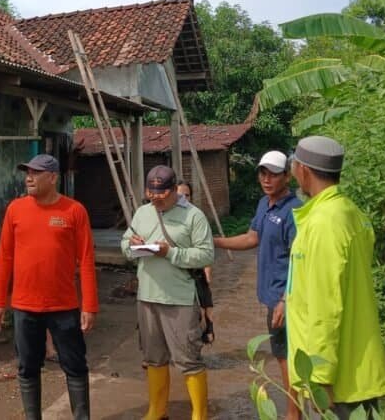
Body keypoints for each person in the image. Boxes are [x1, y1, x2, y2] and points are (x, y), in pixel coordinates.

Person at [287, 136, 385, 419]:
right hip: (356, 367)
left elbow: (326, 306)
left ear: (303, 170)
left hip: (340, 380)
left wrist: (320, 376)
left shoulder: (324, 223)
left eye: (294, 165)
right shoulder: (349, 212)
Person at [0, 153, 97, 420]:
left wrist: (90, 305)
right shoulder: (15, 209)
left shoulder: (74, 211)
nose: (28, 178)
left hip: (64, 306)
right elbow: (5, 257)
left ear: (52, 177)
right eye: (27, 173)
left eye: (35, 173)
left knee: (74, 365)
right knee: (27, 367)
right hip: (25, 306)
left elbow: (85, 260)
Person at [213, 150, 300, 420]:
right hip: (271, 296)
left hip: (285, 299)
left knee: (287, 357)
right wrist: (216, 242)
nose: (267, 179)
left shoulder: (293, 210)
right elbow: (253, 237)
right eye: (263, 173)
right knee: (281, 355)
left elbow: (300, 259)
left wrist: (287, 299)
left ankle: (293, 414)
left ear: (287, 176)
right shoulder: (265, 204)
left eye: (274, 174)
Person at [121, 165, 214, 420]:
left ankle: (199, 414)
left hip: (180, 300)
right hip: (147, 298)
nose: (155, 199)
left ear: (174, 191)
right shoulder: (142, 213)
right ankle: (157, 411)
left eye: (161, 194)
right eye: (151, 193)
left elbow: (206, 254)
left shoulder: (194, 216)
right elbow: (124, 243)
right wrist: (132, 245)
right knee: (153, 357)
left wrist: (170, 253)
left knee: (188, 358)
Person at [176, 180, 215, 344]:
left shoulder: (196, 216)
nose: (184, 198)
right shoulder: (169, 218)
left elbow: (205, 248)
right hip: (177, 274)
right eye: (180, 195)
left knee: (205, 304)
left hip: (196, 270)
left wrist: (207, 269)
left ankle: (208, 331)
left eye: (187, 195)